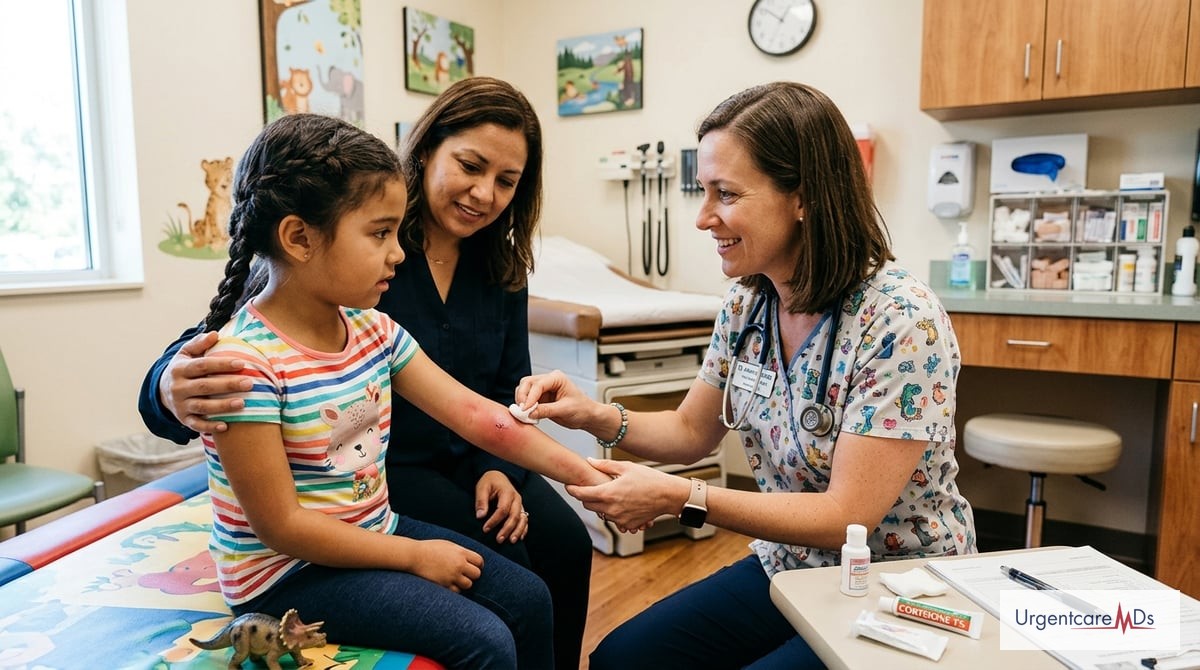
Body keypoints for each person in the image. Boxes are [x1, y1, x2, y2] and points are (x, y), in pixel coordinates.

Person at [516, 82, 977, 669]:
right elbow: (689, 433)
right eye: (704, 192)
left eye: (726, 194)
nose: (704, 218)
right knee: (620, 660)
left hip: (897, 584)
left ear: (803, 198)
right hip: (791, 564)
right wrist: (593, 414)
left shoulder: (900, 320)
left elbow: (846, 516)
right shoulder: (747, 306)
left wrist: (683, 499)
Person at [137, 78, 593, 669]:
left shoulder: (390, 311)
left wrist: (591, 477)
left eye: (506, 181)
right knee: (497, 612)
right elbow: (213, 353)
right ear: (428, 151)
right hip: (376, 493)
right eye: (471, 166)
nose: (485, 193)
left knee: (556, 560)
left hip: (407, 493)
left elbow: (488, 411)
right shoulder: (328, 278)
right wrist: (168, 386)